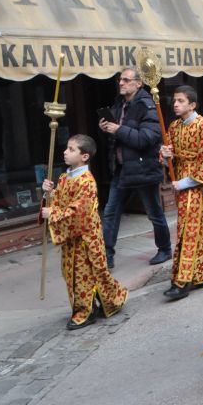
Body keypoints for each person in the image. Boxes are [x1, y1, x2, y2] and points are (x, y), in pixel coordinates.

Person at [41, 135, 128, 330]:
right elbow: (61, 200)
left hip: (85, 238)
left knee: (84, 274)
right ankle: (107, 300)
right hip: (71, 238)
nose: (65, 152)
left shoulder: (87, 181)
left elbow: (78, 212)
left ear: (85, 156)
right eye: (67, 148)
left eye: (72, 149)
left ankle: (85, 312)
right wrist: (49, 193)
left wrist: (53, 213)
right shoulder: (65, 177)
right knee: (71, 273)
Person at [99, 67, 171, 269]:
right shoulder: (120, 104)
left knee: (153, 212)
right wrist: (107, 129)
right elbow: (116, 136)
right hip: (122, 168)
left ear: (138, 83)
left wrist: (118, 130)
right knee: (111, 212)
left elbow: (147, 138)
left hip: (143, 167)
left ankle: (165, 249)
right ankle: (107, 255)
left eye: (126, 80)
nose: (121, 83)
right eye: (120, 80)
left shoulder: (147, 105)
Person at [159, 86, 203, 301]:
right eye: (174, 101)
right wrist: (164, 154)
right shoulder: (174, 126)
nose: (175, 104)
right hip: (181, 183)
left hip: (198, 185)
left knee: (189, 230)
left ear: (192, 104)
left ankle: (182, 281)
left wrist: (185, 183)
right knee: (201, 231)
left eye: (180, 101)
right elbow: (170, 157)